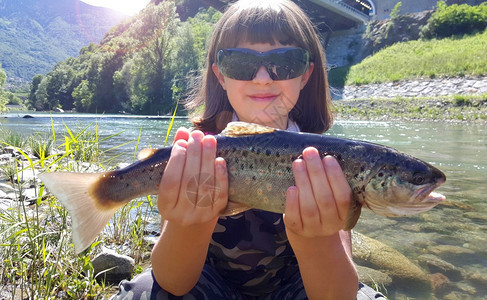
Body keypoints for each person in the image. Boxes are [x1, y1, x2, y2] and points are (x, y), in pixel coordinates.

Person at [112, 0, 386, 299]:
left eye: (285, 63)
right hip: (210, 286)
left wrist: (319, 242)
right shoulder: (195, 155)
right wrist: (186, 227)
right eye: (241, 63)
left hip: (297, 287)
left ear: (305, 75)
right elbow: (174, 282)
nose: (262, 77)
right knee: (143, 292)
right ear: (221, 76)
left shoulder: (326, 162)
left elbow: (337, 295)